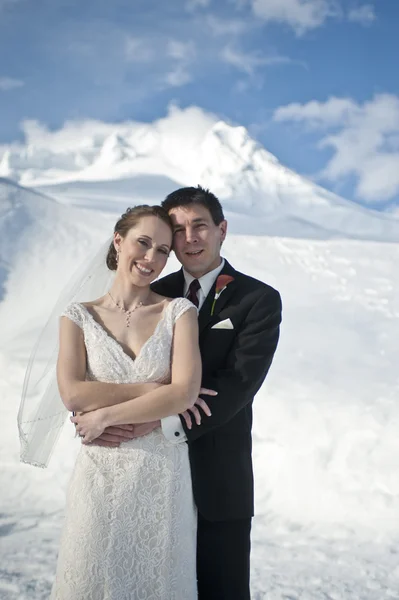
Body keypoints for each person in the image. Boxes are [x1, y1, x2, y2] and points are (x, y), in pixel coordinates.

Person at [94, 186, 282, 599]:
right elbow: (117, 364)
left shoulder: (259, 299)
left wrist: (156, 420)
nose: (190, 237)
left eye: (200, 225)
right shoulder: (152, 295)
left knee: (222, 590)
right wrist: (95, 414)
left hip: (220, 478)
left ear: (222, 230)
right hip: (149, 475)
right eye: (178, 229)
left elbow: (238, 385)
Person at [50, 204, 213, 600]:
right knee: (89, 575)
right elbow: (72, 392)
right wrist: (153, 391)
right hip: (98, 472)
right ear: (118, 241)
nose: (151, 258)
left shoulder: (179, 312)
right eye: (143, 243)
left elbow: (185, 393)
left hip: (161, 472)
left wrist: (104, 414)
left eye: (162, 250)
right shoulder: (77, 316)